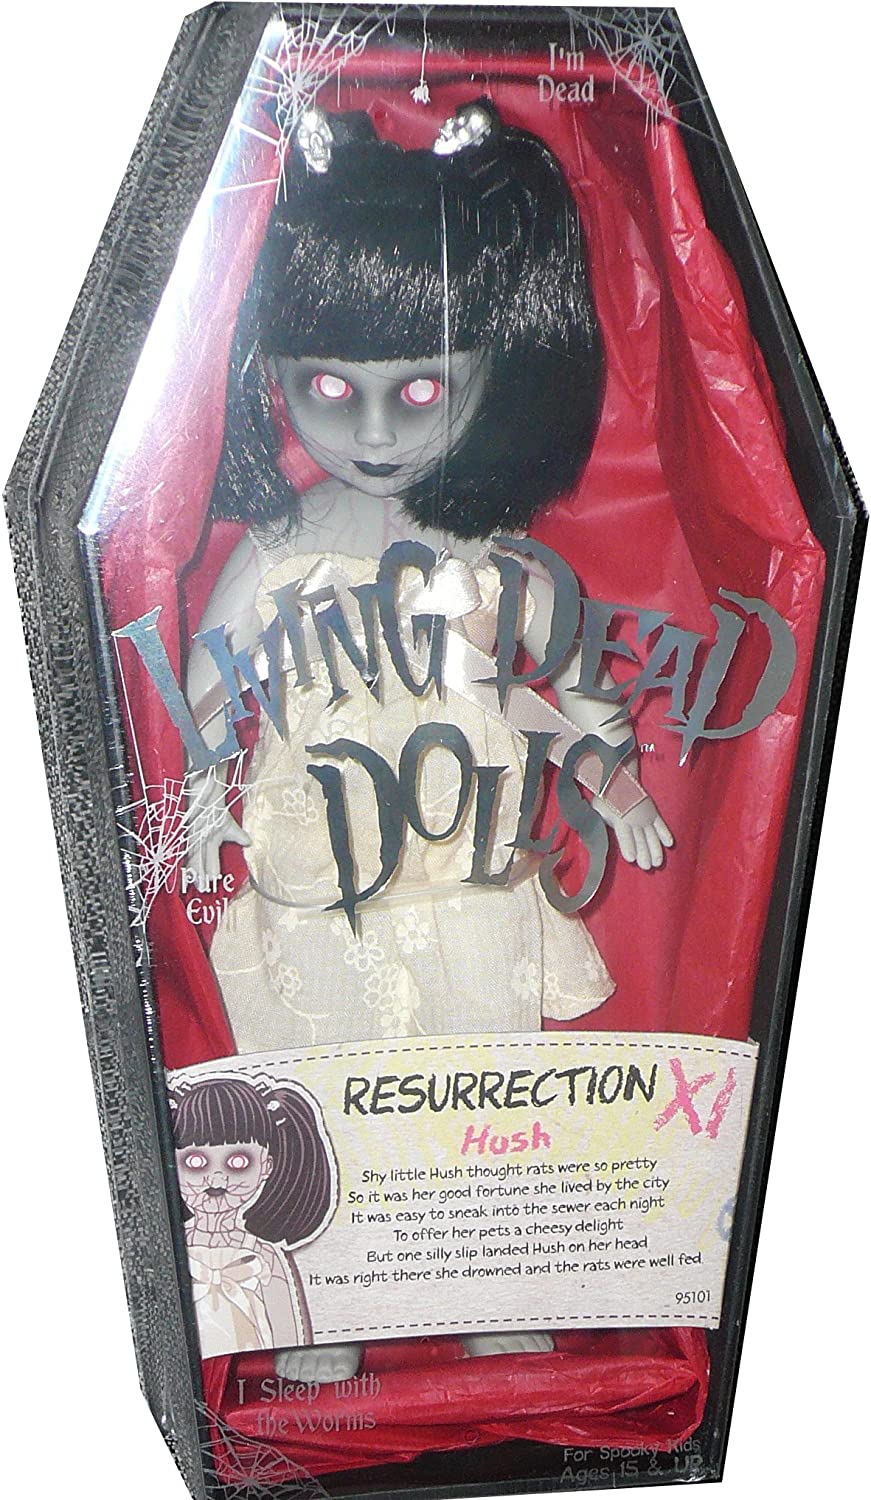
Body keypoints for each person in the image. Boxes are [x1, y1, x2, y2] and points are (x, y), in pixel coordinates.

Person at [183, 100, 672, 1377]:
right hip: (320, 875)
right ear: (275, 375)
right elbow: (207, 691)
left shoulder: (494, 559)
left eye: (419, 390)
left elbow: (556, 686)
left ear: (490, 374)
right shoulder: (282, 550)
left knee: (477, 1091)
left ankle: (490, 1286)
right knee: (323, 1090)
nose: (375, 432)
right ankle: (333, 1306)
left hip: (466, 878)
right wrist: (197, 795)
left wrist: (608, 772)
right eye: (329, 389)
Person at [170, 1074, 337, 1363]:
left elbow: (288, 1333)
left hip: (250, 1370)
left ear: (266, 1166)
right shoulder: (171, 1246)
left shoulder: (264, 1254)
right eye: (196, 1162)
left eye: (238, 1162)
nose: (216, 1178)